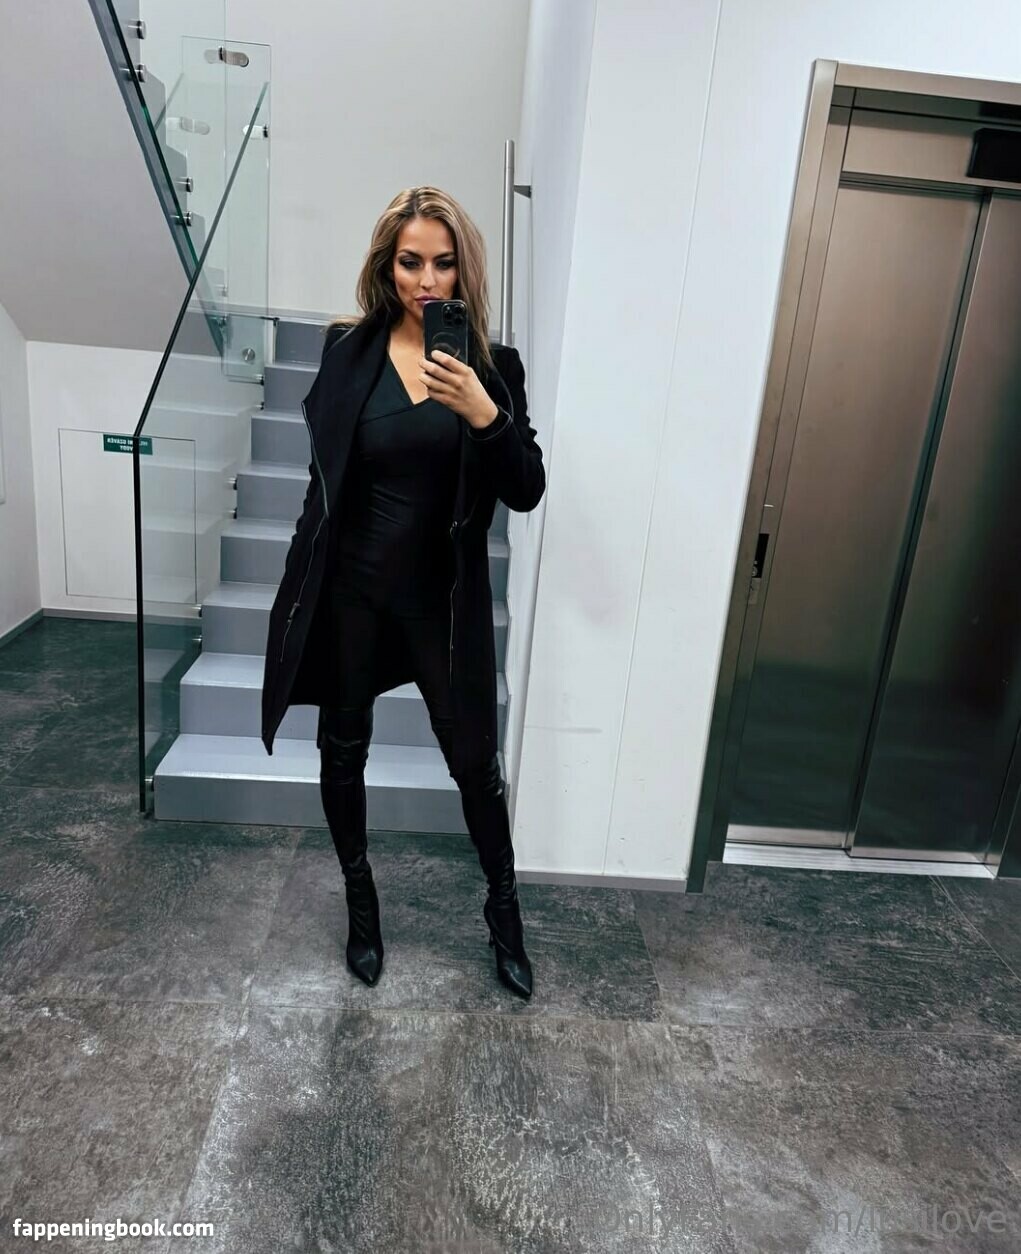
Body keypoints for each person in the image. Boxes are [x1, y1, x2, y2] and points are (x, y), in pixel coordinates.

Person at [263, 187, 545, 999]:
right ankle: (361, 903)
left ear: (464, 271)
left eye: (443, 264)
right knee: (341, 749)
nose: (427, 281)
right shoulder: (347, 353)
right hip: (352, 594)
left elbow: (525, 490)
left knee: (474, 767)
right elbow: (324, 484)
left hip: (440, 605)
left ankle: (503, 911)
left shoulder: (493, 370)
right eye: (410, 262)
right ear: (387, 266)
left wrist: (485, 414)